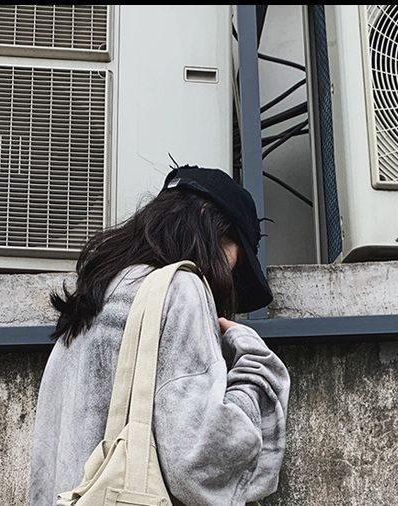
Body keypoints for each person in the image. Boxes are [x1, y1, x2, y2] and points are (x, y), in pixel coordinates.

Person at [28, 166, 291, 505]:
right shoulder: (179, 289)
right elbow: (198, 461)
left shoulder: (94, 297)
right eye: (234, 259)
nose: (229, 273)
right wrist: (256, 366)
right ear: (210, 226)